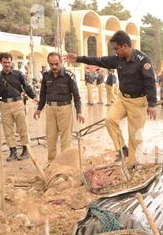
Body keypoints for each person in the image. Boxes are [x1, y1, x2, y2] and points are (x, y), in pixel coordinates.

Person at [64, 30, 157, 166]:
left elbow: (150, 82)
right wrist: (78, 58)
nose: (115, 51)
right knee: (110, 120)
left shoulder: (143, 60)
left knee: (135, 136)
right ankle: (122, 149)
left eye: (116, 48)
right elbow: (99, 60)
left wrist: (152, 104)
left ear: (125, 46)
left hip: (138, 102)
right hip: (122, 99)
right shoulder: (118, 59)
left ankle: (134, 164)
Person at [33, 52, 85, 163]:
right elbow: (42, 94)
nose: (54, 67)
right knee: (51, 138)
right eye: (51, 64)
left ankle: (65, 164)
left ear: (61, 62)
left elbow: (76, 95)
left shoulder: (68, 75)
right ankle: (51, 163)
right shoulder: (46, 76)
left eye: (56, 64)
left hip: (64, 109)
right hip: (50, 109)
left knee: (65, 140)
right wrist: (39, 109)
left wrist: (79, 112)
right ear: (48, 64)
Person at [0, 52, 38, 161]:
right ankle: (13, 151)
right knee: (8, 129)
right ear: (1, 62)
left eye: (9, 62)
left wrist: (34, 96)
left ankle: (26, 150)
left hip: (18, 103)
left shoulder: (18, 74)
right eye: (4, 62)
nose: (7, 65)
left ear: (11, 62)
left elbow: (27, 86)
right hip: (4, 104)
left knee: (22, 127)